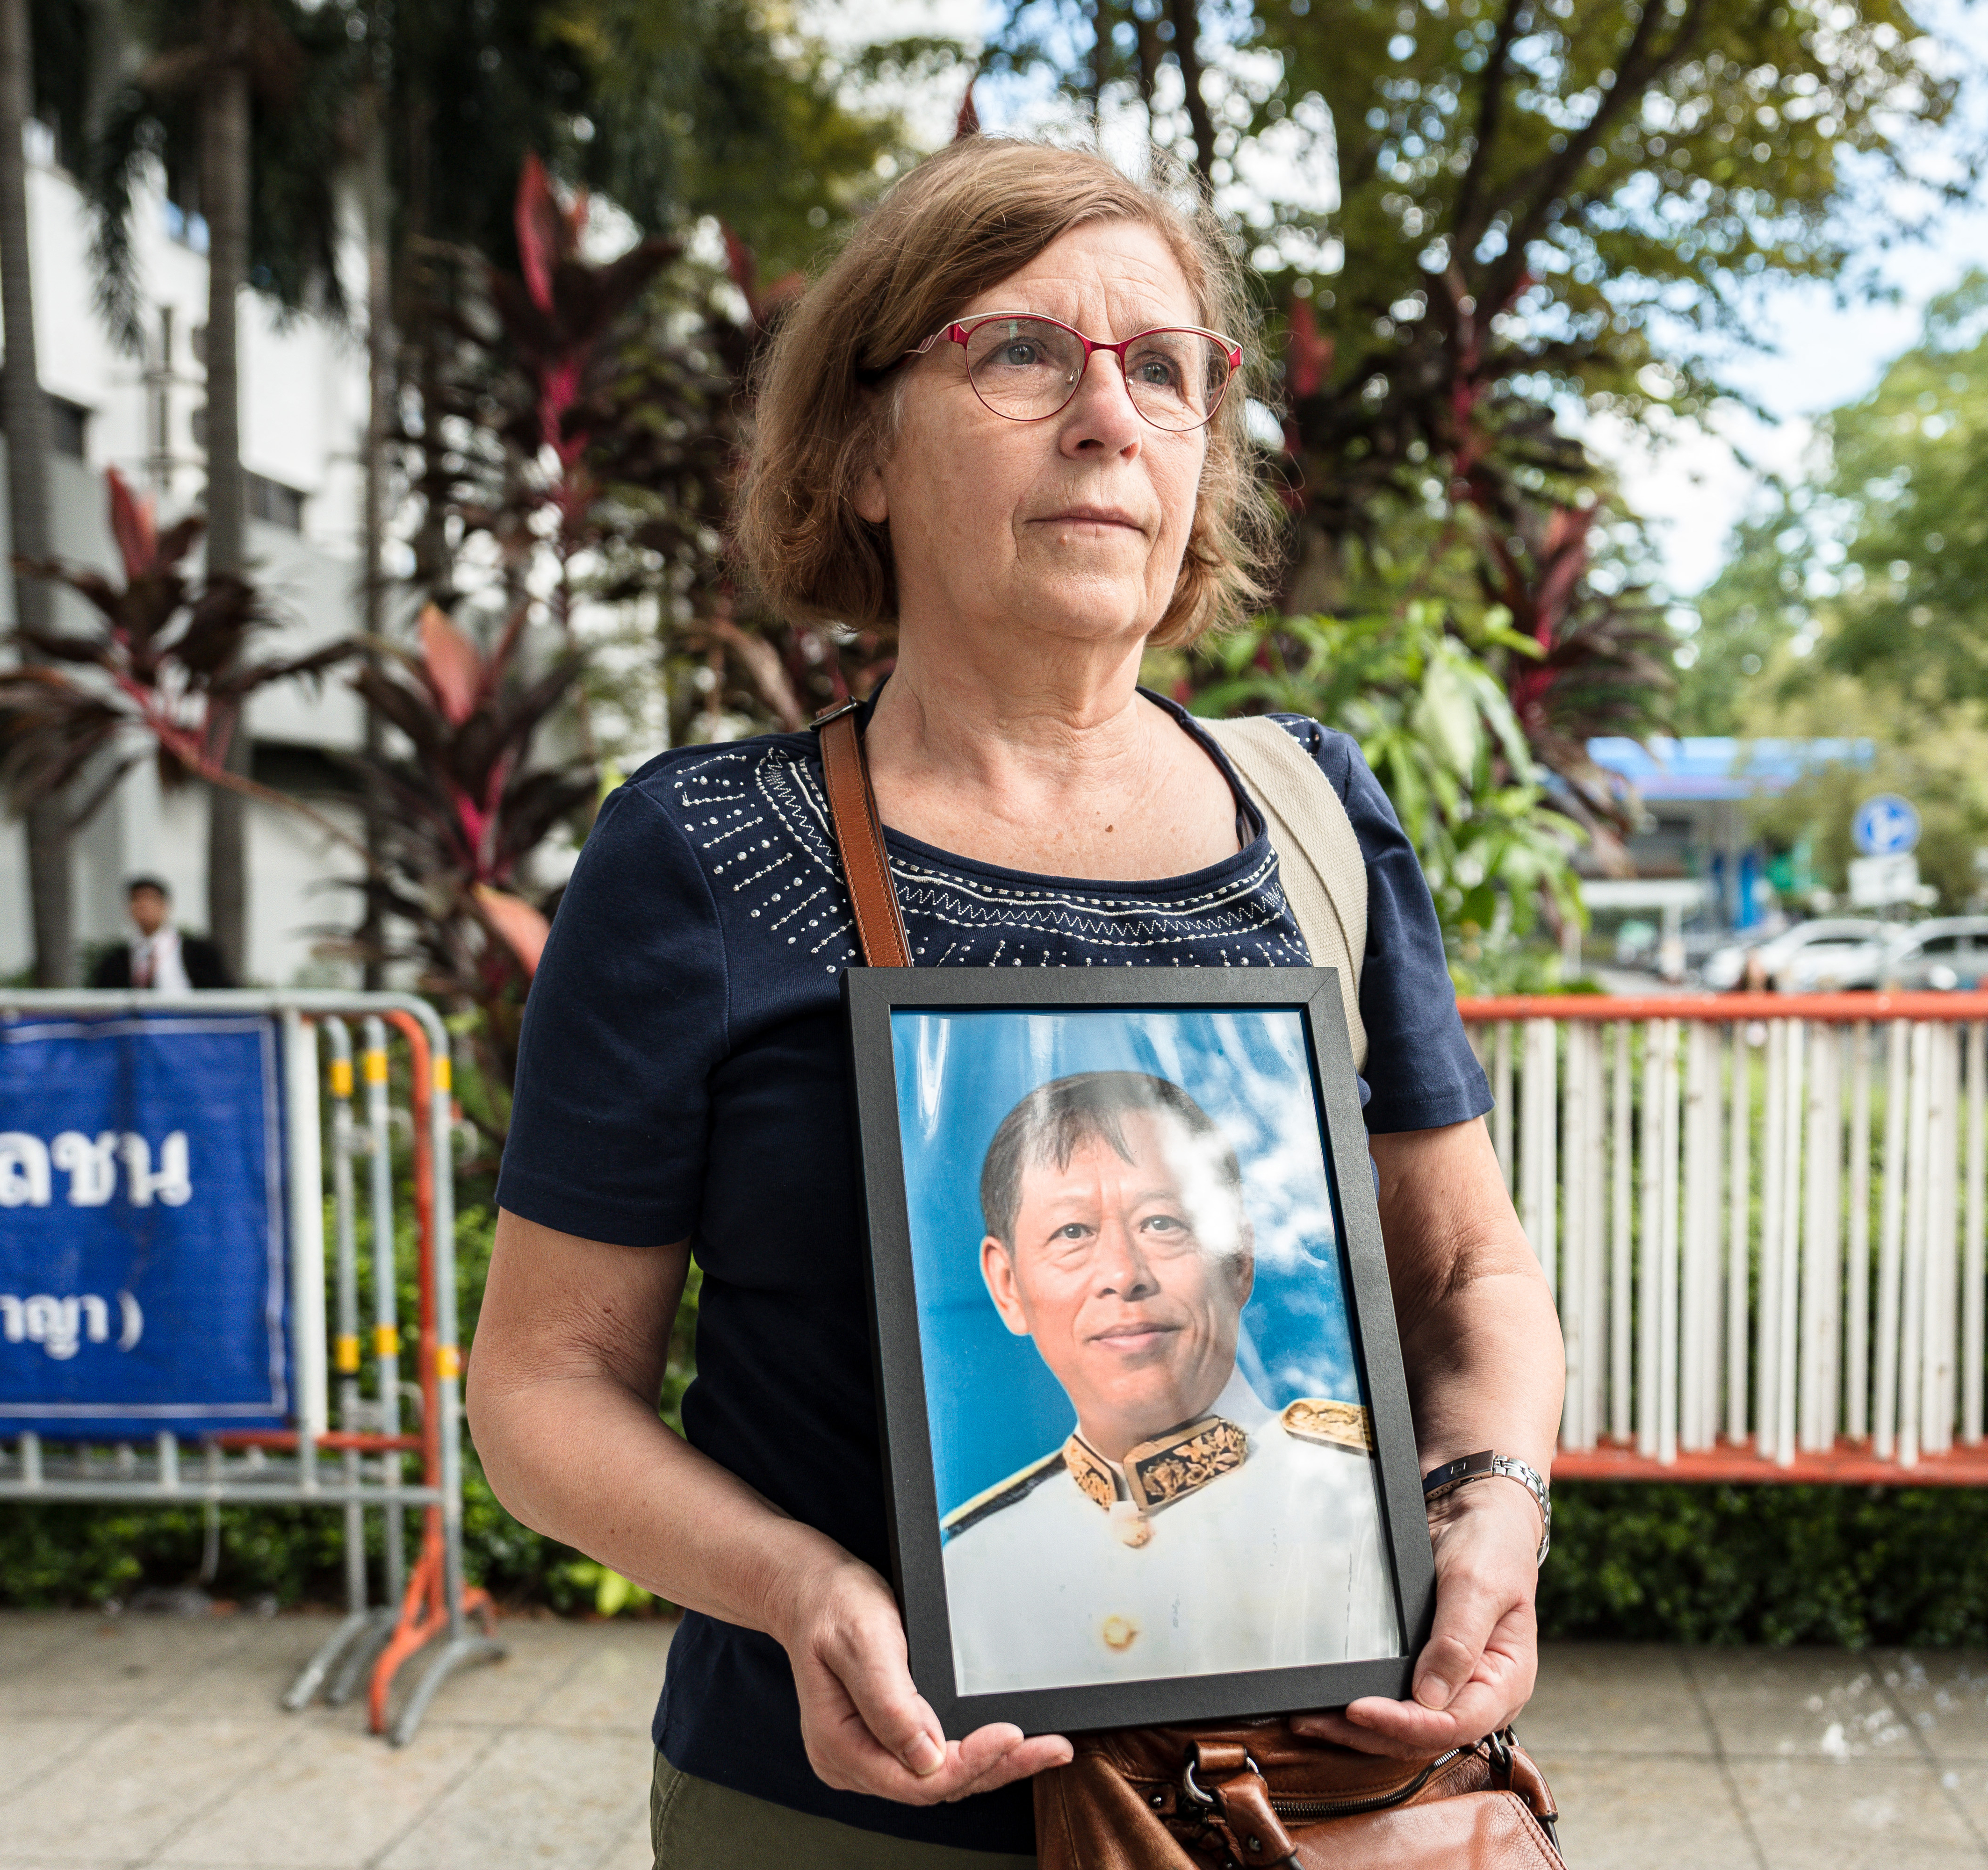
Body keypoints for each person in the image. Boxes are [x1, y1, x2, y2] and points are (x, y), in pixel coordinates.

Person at [464, 137, 1563, 1870]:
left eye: (1166, 367)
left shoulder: (1313, 816)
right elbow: (539, 1383)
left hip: (1314, 1799)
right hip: (847, 1818)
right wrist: (799, 1586)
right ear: (860, 451)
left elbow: (1468, 1273)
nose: (1108, 415)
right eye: (1021, 351)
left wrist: (1490, 1505)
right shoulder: (696, 855)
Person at [940, 1071, 1397, 1695]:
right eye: (1072, 1233)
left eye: (1162, 1223)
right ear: (1006, 1285)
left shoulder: (1366, 1502)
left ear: (1239, 1257)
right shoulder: (968, 1567)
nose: (1123, 1275)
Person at [86, 876, 235, 992]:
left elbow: (222, 993)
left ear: (166, 906)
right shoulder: (116, 959)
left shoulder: (200, 953)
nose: (143, 906)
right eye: (136, 900)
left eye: (150, 900)